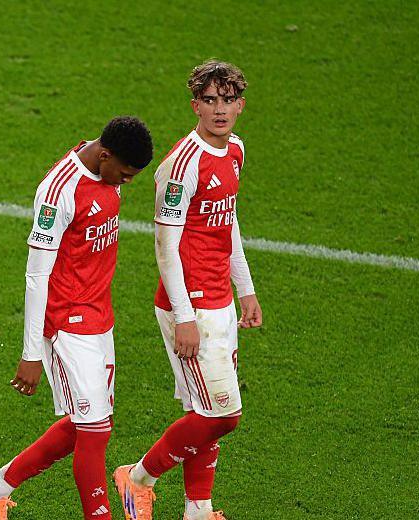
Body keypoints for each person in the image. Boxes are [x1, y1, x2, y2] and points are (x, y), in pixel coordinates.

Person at [0, 117, 154, 520]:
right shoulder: (58, 193)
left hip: (100, 317)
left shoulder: (103, 164)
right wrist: (31, 352)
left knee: (85, 423)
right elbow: (36, 276)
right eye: (124, 174)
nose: (126, 183)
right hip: (67, 322)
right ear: (105, 156)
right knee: (95, 430)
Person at [113, 60, 263, 520]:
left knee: (205, 410)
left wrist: (246, 288)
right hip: (190, 305)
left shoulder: (234, 150)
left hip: (219, 299)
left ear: (241, 105)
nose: (220, 110)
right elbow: (166, 245)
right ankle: (137, 477)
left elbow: (227, 223)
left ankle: (198, 509)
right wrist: (183, 315)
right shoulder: (180, 166)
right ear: (195, 104)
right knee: (223, 415)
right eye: (210, 100)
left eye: (229, 99)